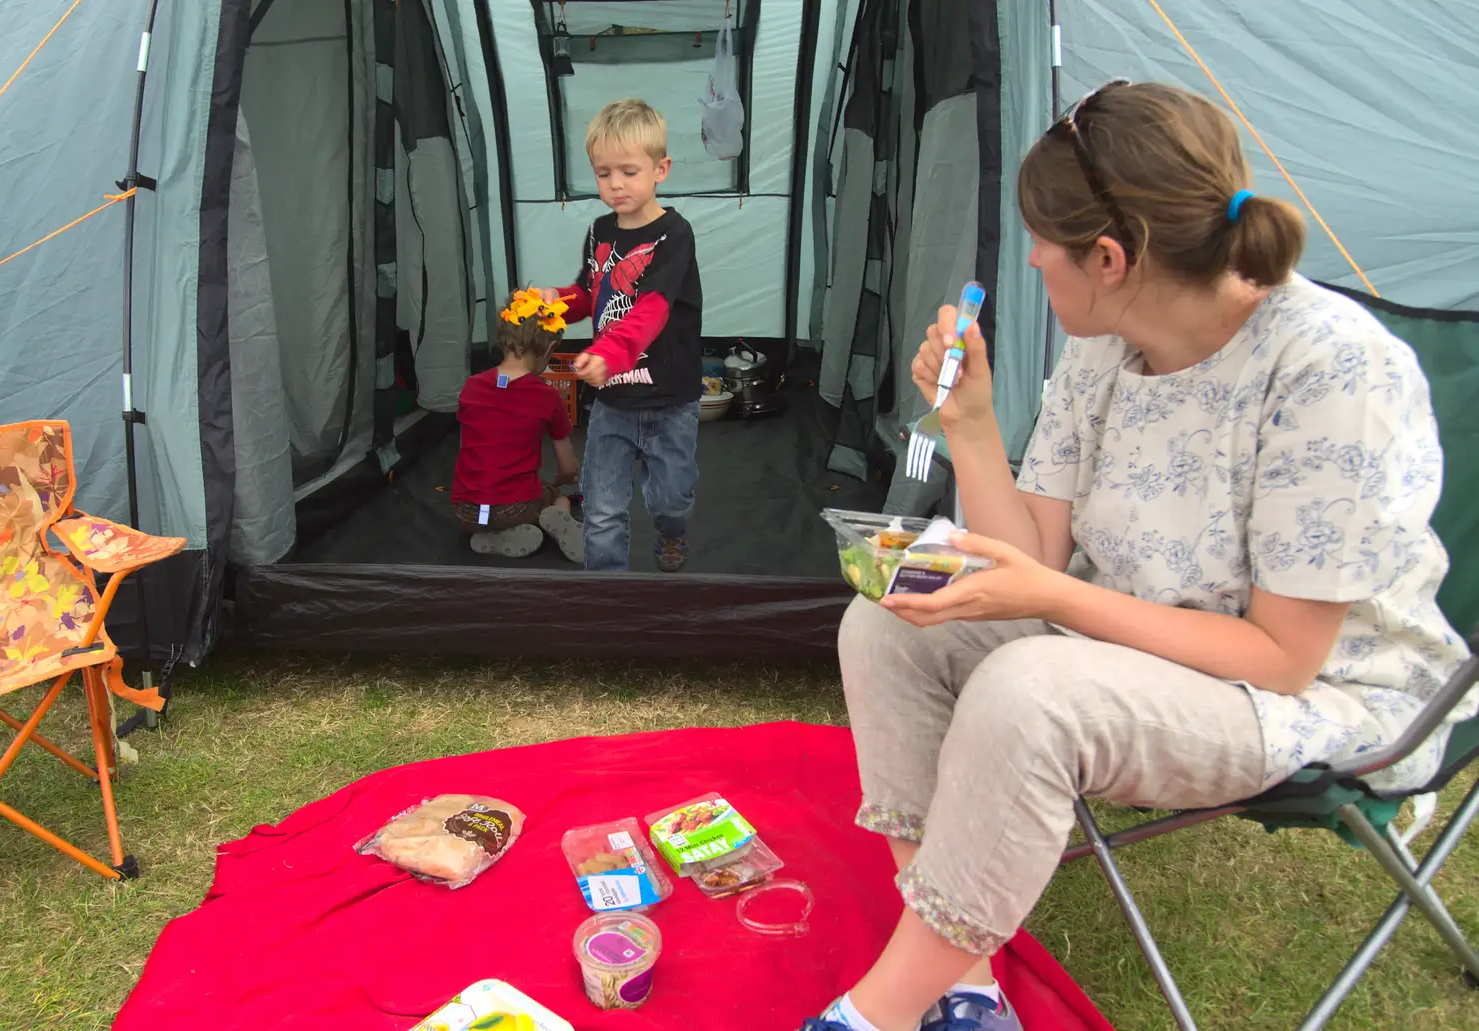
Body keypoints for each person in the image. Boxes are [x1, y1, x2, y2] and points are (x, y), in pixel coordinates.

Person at [804, 80, 1472, 1031]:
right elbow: (1029, 554)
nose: (1030, 255)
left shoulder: (1334, 372)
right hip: (1128, 642)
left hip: (1307, 696)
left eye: (1044, 240)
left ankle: (877, 1013)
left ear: (1111, 258)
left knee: (1030, 689)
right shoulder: (1105, 343)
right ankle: (959, 979)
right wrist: (976, 424)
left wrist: (1054, 601)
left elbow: (1284, 656)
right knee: (888, 620)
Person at [538, 98, 704, 573]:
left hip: (670, 398)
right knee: (603, 509)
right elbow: (593, 293)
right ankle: (607, 600)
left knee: (671, 498)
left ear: (661, 169)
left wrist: (610, 352)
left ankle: (672, 533)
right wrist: (555, 306)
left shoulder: (674, 233)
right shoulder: (599, 230)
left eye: (629, 171)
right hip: (612, 401)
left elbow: (651, 307)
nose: (615, 185)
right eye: (603, 173)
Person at [449, 288, 584, 563]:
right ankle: (557, 516)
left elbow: (468, 449)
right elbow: (568, 467)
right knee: (557, 498)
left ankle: (488, 534)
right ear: (549, 349)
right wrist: (560, 481)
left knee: (488, 508)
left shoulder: (471, 387)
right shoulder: (547, 396)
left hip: (466, 511)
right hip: (516, 507)